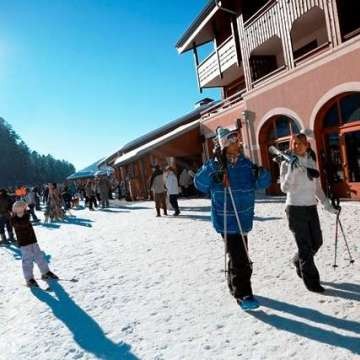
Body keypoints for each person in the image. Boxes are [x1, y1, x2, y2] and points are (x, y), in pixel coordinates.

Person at [194, 127, 271, 308]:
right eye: (234, 140)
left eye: (238, 139)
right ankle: (244, 295)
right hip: (226, 219)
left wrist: (262, 174)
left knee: (238, 256)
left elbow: (263, 183)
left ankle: (233, 285)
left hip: (243, 218)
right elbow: (199, 184)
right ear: (226, 145)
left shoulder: (246, 164)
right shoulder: (215, 165)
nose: (239, 143)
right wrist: (213, 172)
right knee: (240, 259)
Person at [280, 133, 339, 293]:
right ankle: (312, 282)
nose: (296, 146)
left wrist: (327, 205)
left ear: (307, 145)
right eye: (293, 143)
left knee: (317, 241)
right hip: (295, 208)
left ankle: (297, 260)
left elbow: (317, 188)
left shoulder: (311, 161)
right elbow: (284, 189)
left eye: (300, 143)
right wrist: (292, 172)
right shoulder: (286, 163)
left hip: (310, 207)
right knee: (305, 246)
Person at [11, 200, 58, 287]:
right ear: (17, 210)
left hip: (32, 241)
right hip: (24, 244)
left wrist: (26, 212)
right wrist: (24, 214)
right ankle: (29, 279)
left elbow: (26, 221)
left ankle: (45, 272)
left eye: (24, 208)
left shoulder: (26, 215)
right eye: (23, 208)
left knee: (39, 257)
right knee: (27, 261)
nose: (24, 210)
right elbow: (22, 224)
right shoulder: (14, 219)